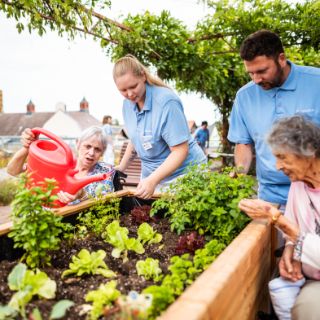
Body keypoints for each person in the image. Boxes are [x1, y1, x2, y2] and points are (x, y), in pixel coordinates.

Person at [239, 115, 320, 320]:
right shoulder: (298, 184)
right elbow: (294, 232)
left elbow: (289, 225)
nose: (277, 166)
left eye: (282, 157)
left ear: (308, 153)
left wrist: (277, 218)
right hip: (310, 276)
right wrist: (289, 251)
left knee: (309, 309)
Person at [228, 29, 320, 206]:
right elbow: (244, 143)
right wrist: (239, 175)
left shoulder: (316, 82)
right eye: (250, 73)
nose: (256, 79)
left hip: (315, 195)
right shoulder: (244, 96)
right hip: (270, 197)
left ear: (281, 59)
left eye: (262, 71)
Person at [113, 54, 207, 199]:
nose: (130, 94)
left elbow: (180, 151)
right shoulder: (127, 105)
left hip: (184, 174)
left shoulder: (166, 102)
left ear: (143, 76)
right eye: (123, 90)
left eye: (133, 86)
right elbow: (136, 137)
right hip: (153, 177)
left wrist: (152, 180)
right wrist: (121, 167)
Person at [7, 126, 115, 204]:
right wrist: (27, 147)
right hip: (44, 219)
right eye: (87, 146)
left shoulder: (104, 171)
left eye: (97, 149)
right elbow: (12, 171)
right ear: (77, 143)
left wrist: (82, 195)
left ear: (102, 152)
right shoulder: (60, 163)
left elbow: (105, 201)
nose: (91, 153)